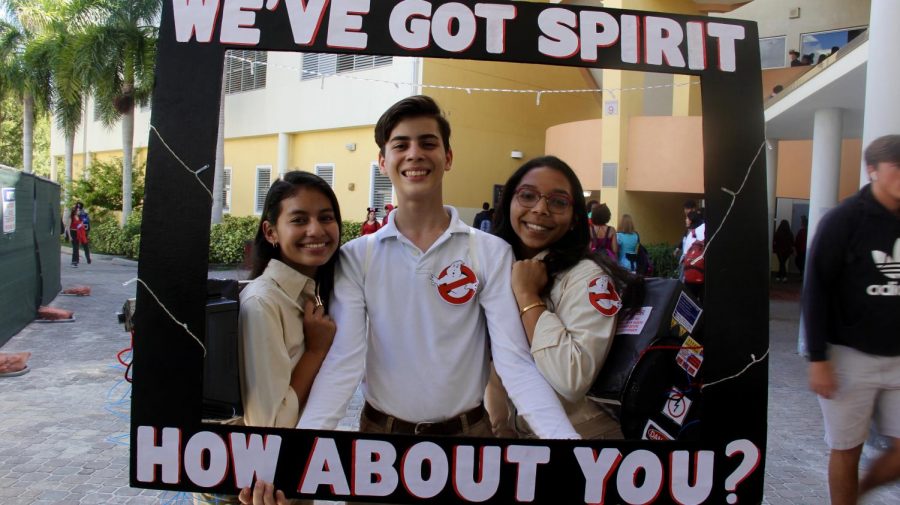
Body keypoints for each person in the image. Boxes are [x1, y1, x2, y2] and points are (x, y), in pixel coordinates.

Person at [297, 95, 579, 444]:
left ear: (447, 158)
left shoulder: (490, 252)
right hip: (380, 441)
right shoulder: (357, 257)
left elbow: (515, 364)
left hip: (469, 437)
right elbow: (343, 364)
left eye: (428, 143)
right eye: (401, 145)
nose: (415, 153)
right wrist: (296, 451)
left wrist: (571, 448)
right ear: (383, 161)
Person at [484, 156, 644, 439]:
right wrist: (501, 426)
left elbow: (570, 379)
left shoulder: (589, 278)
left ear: (574, 219)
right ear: (509, 201)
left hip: (582, 441)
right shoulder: (496, 268)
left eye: (558, 202)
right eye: (528, 196)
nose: (540, 209)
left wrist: (528, 296)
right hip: (515, 443)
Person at [214, 171, 340, 505]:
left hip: (290, 468)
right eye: (299, 219)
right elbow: (267, 425)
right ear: (271, 231)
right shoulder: (263, 302)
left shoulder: (308, 294)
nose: (316, 230)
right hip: (256, 487)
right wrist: (316, 350)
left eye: (325, 217)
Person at [804, 134, 900, 505]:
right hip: (848, 355)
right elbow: (816, 289)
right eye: (897, 167)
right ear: (873, 170)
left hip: (898, 354)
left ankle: (860, 493)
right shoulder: (844, 220)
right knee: (847, 448)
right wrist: (818, 359)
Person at [680, 210, 706, 300]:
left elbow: (686, 253)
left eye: (687, 218)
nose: (685, 220)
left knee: (690, 299)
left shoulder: (692, 233)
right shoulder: (708, 229)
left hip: (692, 273)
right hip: (704, 272)